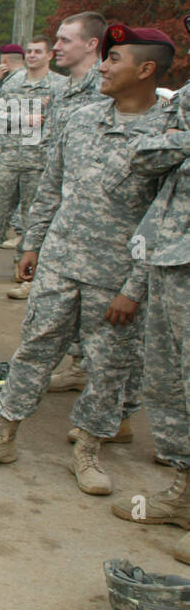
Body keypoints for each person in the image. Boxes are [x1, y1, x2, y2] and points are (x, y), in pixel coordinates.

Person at [0, 25, 176, 495]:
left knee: (107, 368)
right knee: (33, 351)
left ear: (145, 70)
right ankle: (3, 436)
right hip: (59, 262)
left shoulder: (169, 135)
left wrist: (133, 288)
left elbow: (164, 220)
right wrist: (32, 243)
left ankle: (87, 453)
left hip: (114, 279)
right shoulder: (81, 119)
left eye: (114, 60)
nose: (103, 65)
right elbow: (51, 186)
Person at [111, 63, 190, 564]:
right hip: (171, 255)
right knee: (168, 384)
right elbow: (144, 158)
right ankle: (183, 492)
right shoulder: (183, 99)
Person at [0, 35, 66, 293]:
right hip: (8, 159)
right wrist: (23, 118)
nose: (32, 55)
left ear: (49, 56)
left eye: (38, 51)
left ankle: (23, 265)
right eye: (29, 51)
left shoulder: (60, 86)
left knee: (32, 216)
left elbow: (60, 124)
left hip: (39, 163)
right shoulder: (12, 82)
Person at [43, 12, 110, 394]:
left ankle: (104, 392)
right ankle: (77, 366)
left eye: (65, 40)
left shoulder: (107, 87)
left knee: (100, 310)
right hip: (62, 209)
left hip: (99, 219)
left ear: (91, 44)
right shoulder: (64, 89)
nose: (56, 47)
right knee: (60, 303)